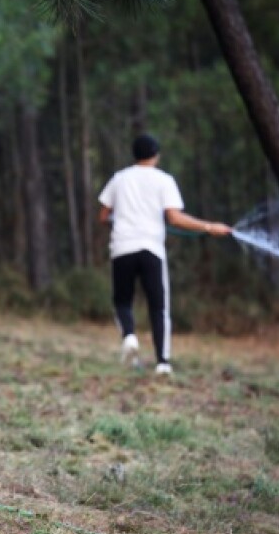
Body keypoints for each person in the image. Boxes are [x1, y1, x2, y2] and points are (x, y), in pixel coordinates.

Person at [98, 134, 232, 375]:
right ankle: (163, 363)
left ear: (134, 155)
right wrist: (210, 227)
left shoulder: (119, 179)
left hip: (122, 248)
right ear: (156, 155)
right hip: (151, 250)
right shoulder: (164, 180)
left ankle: (129, 336)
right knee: (158, 307)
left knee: (122, 300)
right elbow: (175, 218)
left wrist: (122, 219)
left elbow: (103, 215)